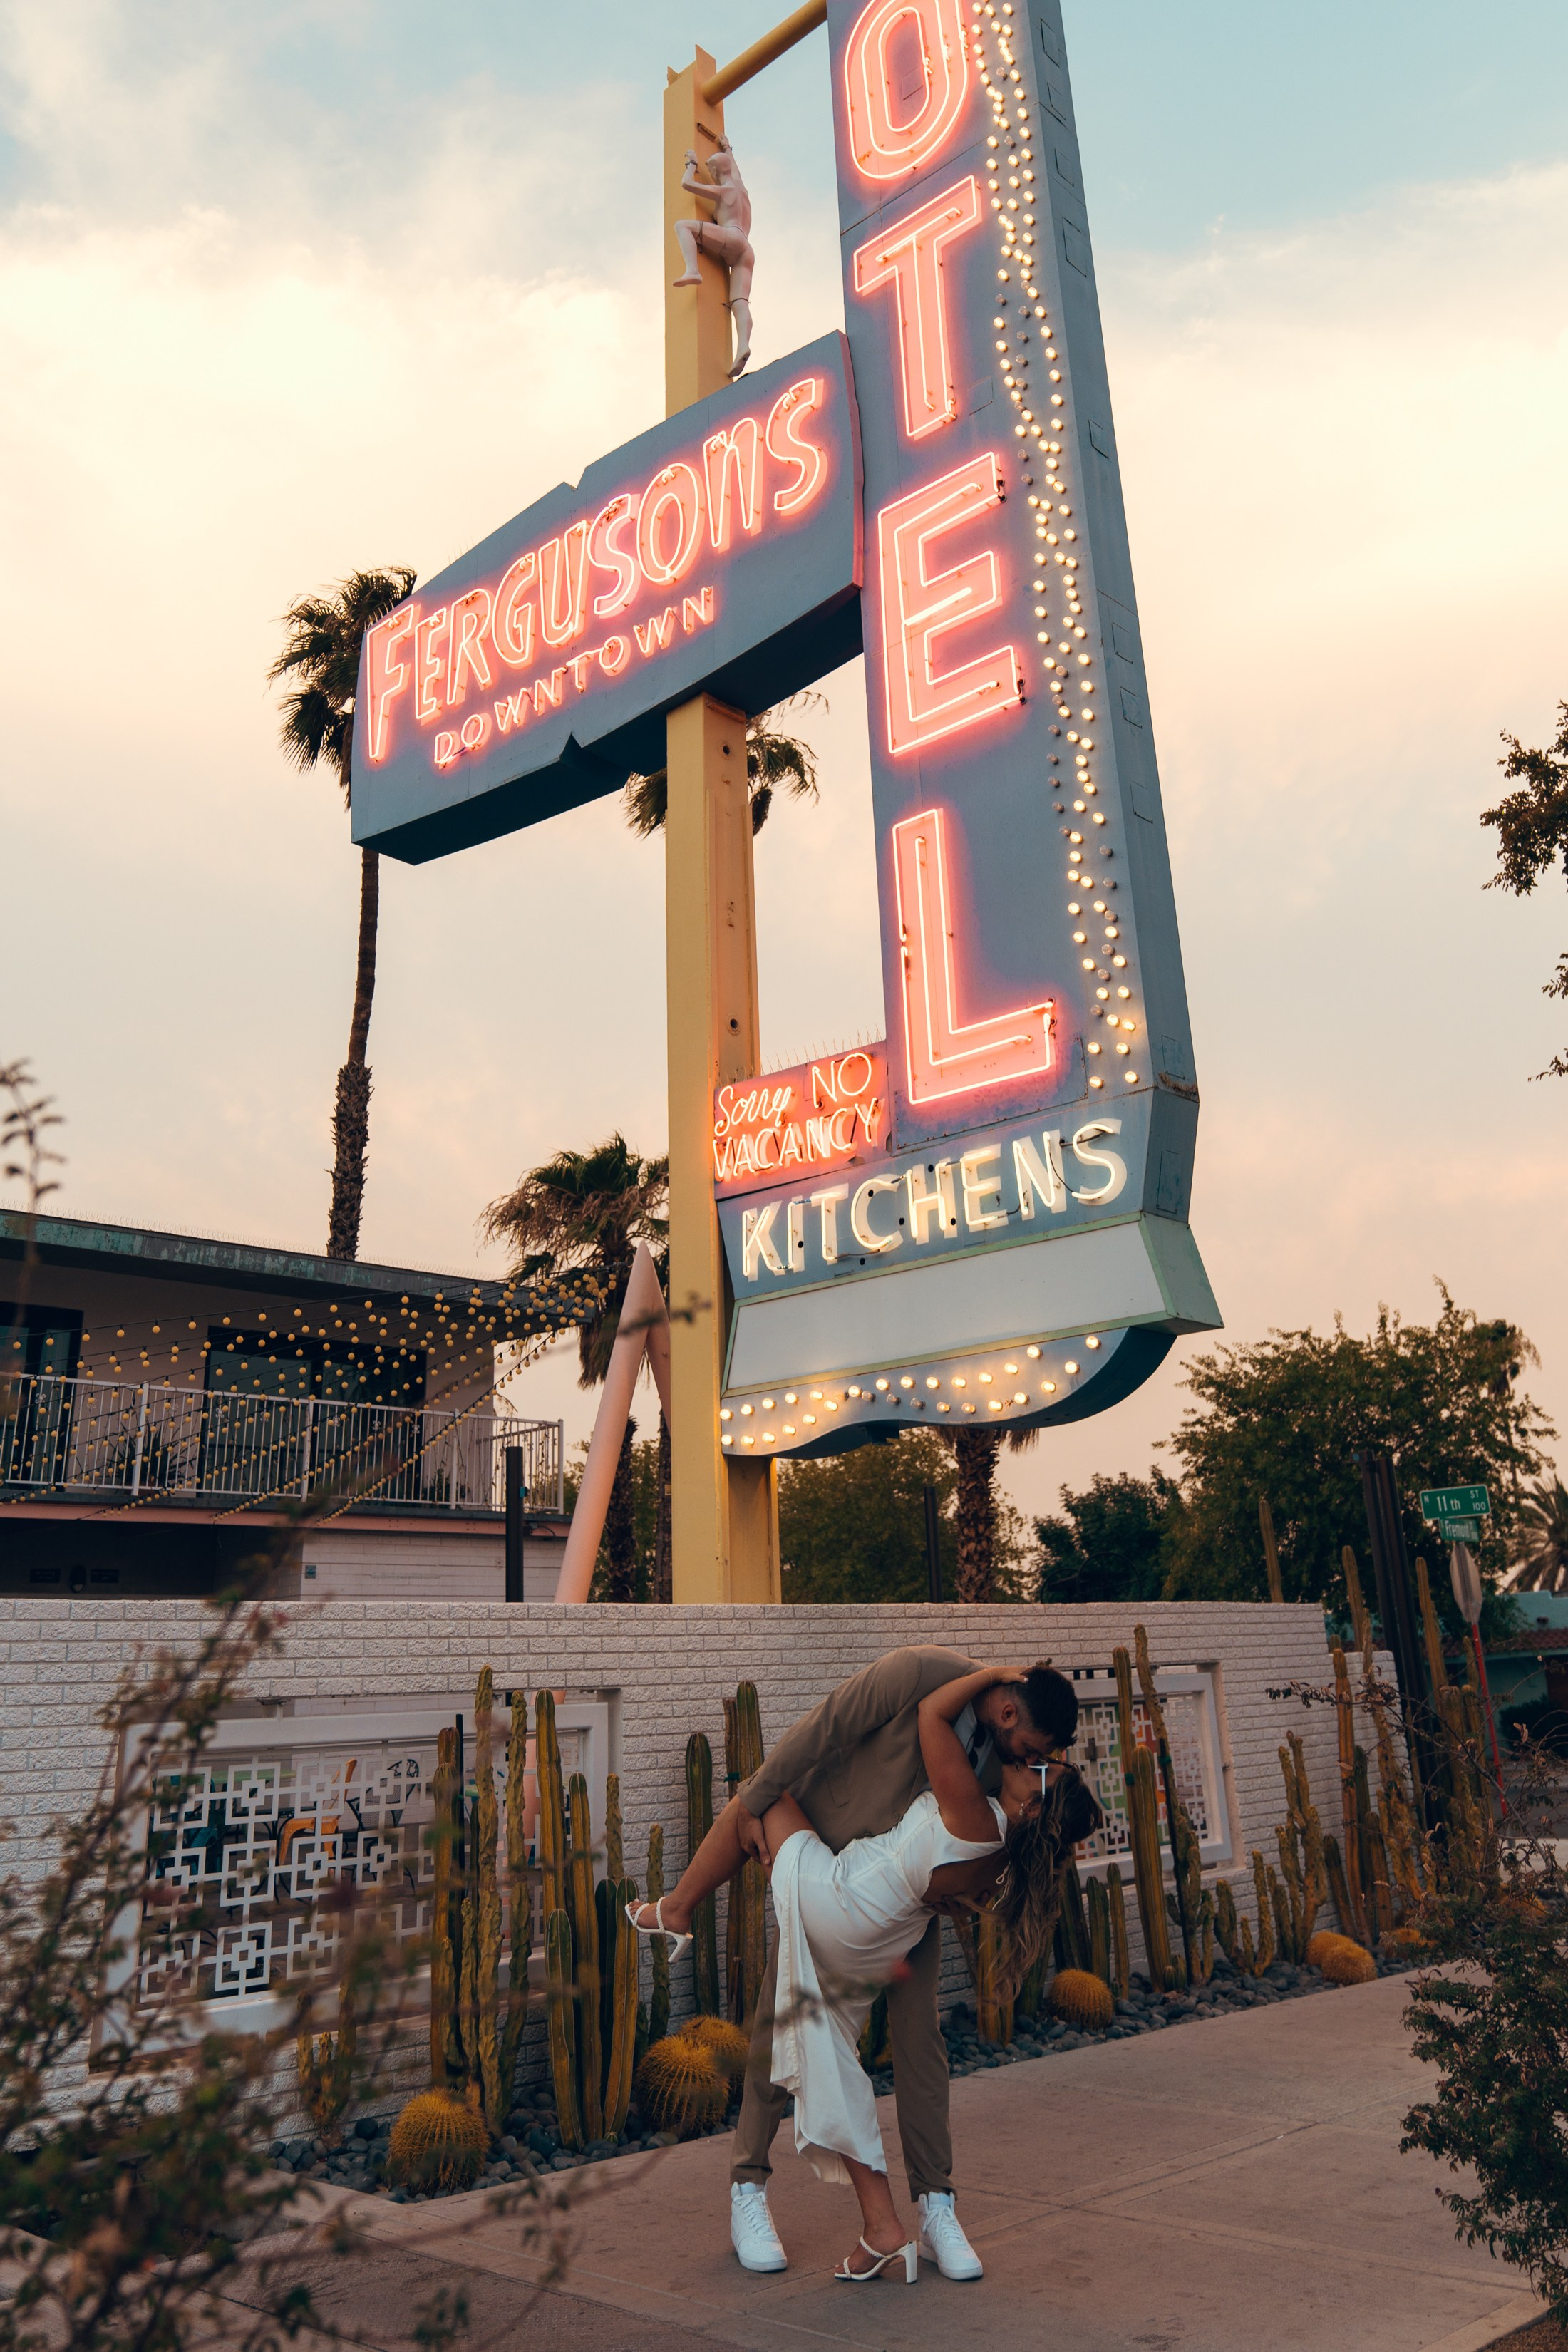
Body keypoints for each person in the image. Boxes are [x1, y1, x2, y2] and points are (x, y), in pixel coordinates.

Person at [629, 1647, 1081, 2280]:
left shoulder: (1005, 1766)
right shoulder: (923, 1675)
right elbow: (826, 1728)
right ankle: (748, 2189)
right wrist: (759, 1800)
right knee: (780, 2021)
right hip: (836, 1858)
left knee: (919, 2041)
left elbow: (981, 1846)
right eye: (1035, 1749)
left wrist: (956, 1896)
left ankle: (936, 2206)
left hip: (904, 1904)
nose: (1033, 1761)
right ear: (1009, 1711)